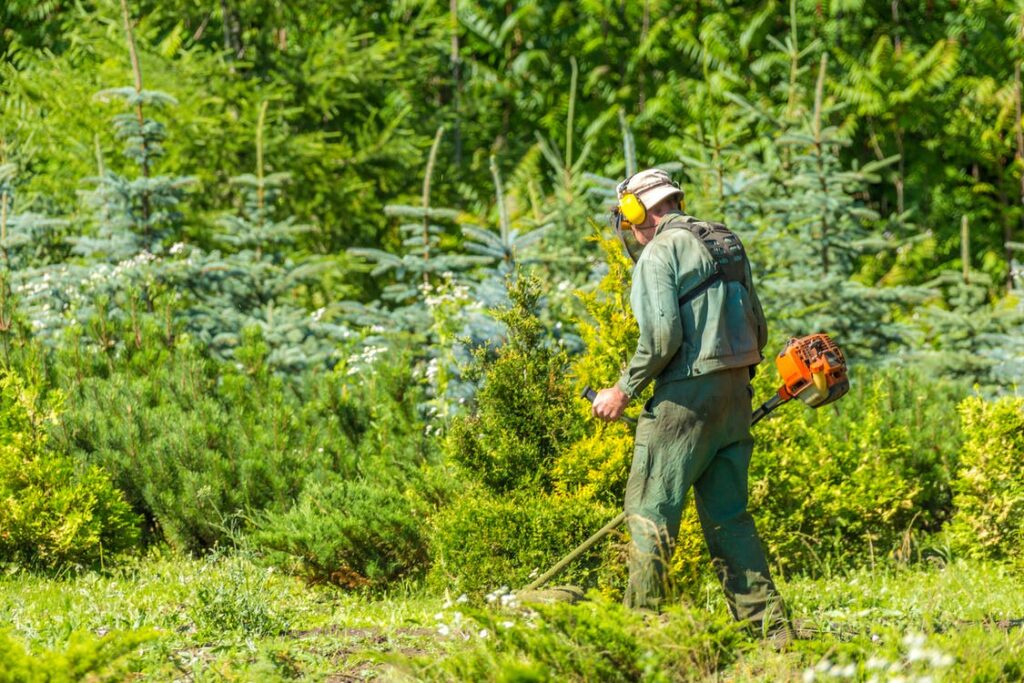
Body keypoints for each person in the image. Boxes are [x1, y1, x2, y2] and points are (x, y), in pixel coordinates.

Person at [591, 168, 790, 641]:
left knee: (650, 511)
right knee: (729, 518)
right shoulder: (724, 242)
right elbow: (759, 328)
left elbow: (662, 338)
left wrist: (623, 389)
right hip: (736, 395)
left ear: (637, 210)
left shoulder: (660, 251)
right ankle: (771, 630)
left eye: (628, 218)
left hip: (685, 397)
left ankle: (642, 633)